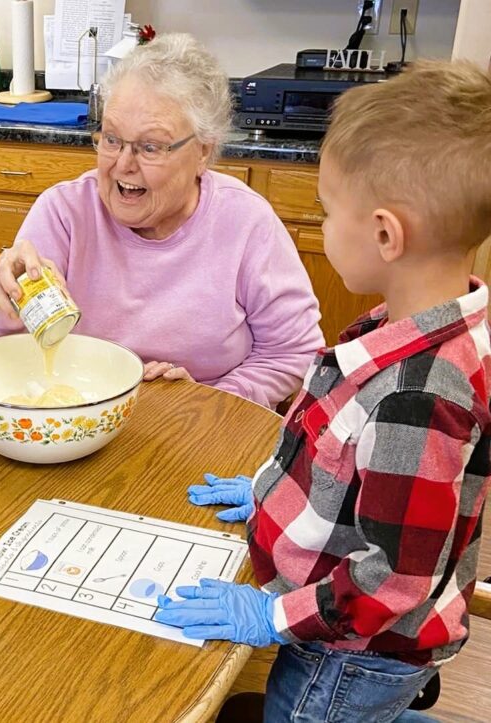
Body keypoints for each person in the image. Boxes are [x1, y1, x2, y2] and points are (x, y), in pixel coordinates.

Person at [157, 60, 491, 721]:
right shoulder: (425, 322)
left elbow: (393, 580)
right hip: (351, 635)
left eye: (328, 210)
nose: (321, 223)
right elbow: (345, 456)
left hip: (350, 656)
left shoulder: (419, 398)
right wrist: (268, 494)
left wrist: (271, 612)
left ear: (385, 234)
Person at [0, 33, 323, 409]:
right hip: (80, 414)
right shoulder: (64, 212)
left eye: (150, 147)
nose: (123, 164)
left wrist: (209, 399)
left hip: (202, 428)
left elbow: (294, 351)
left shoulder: (246, 222)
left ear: (203, 151)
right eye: (111, 139)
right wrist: (7, 305)